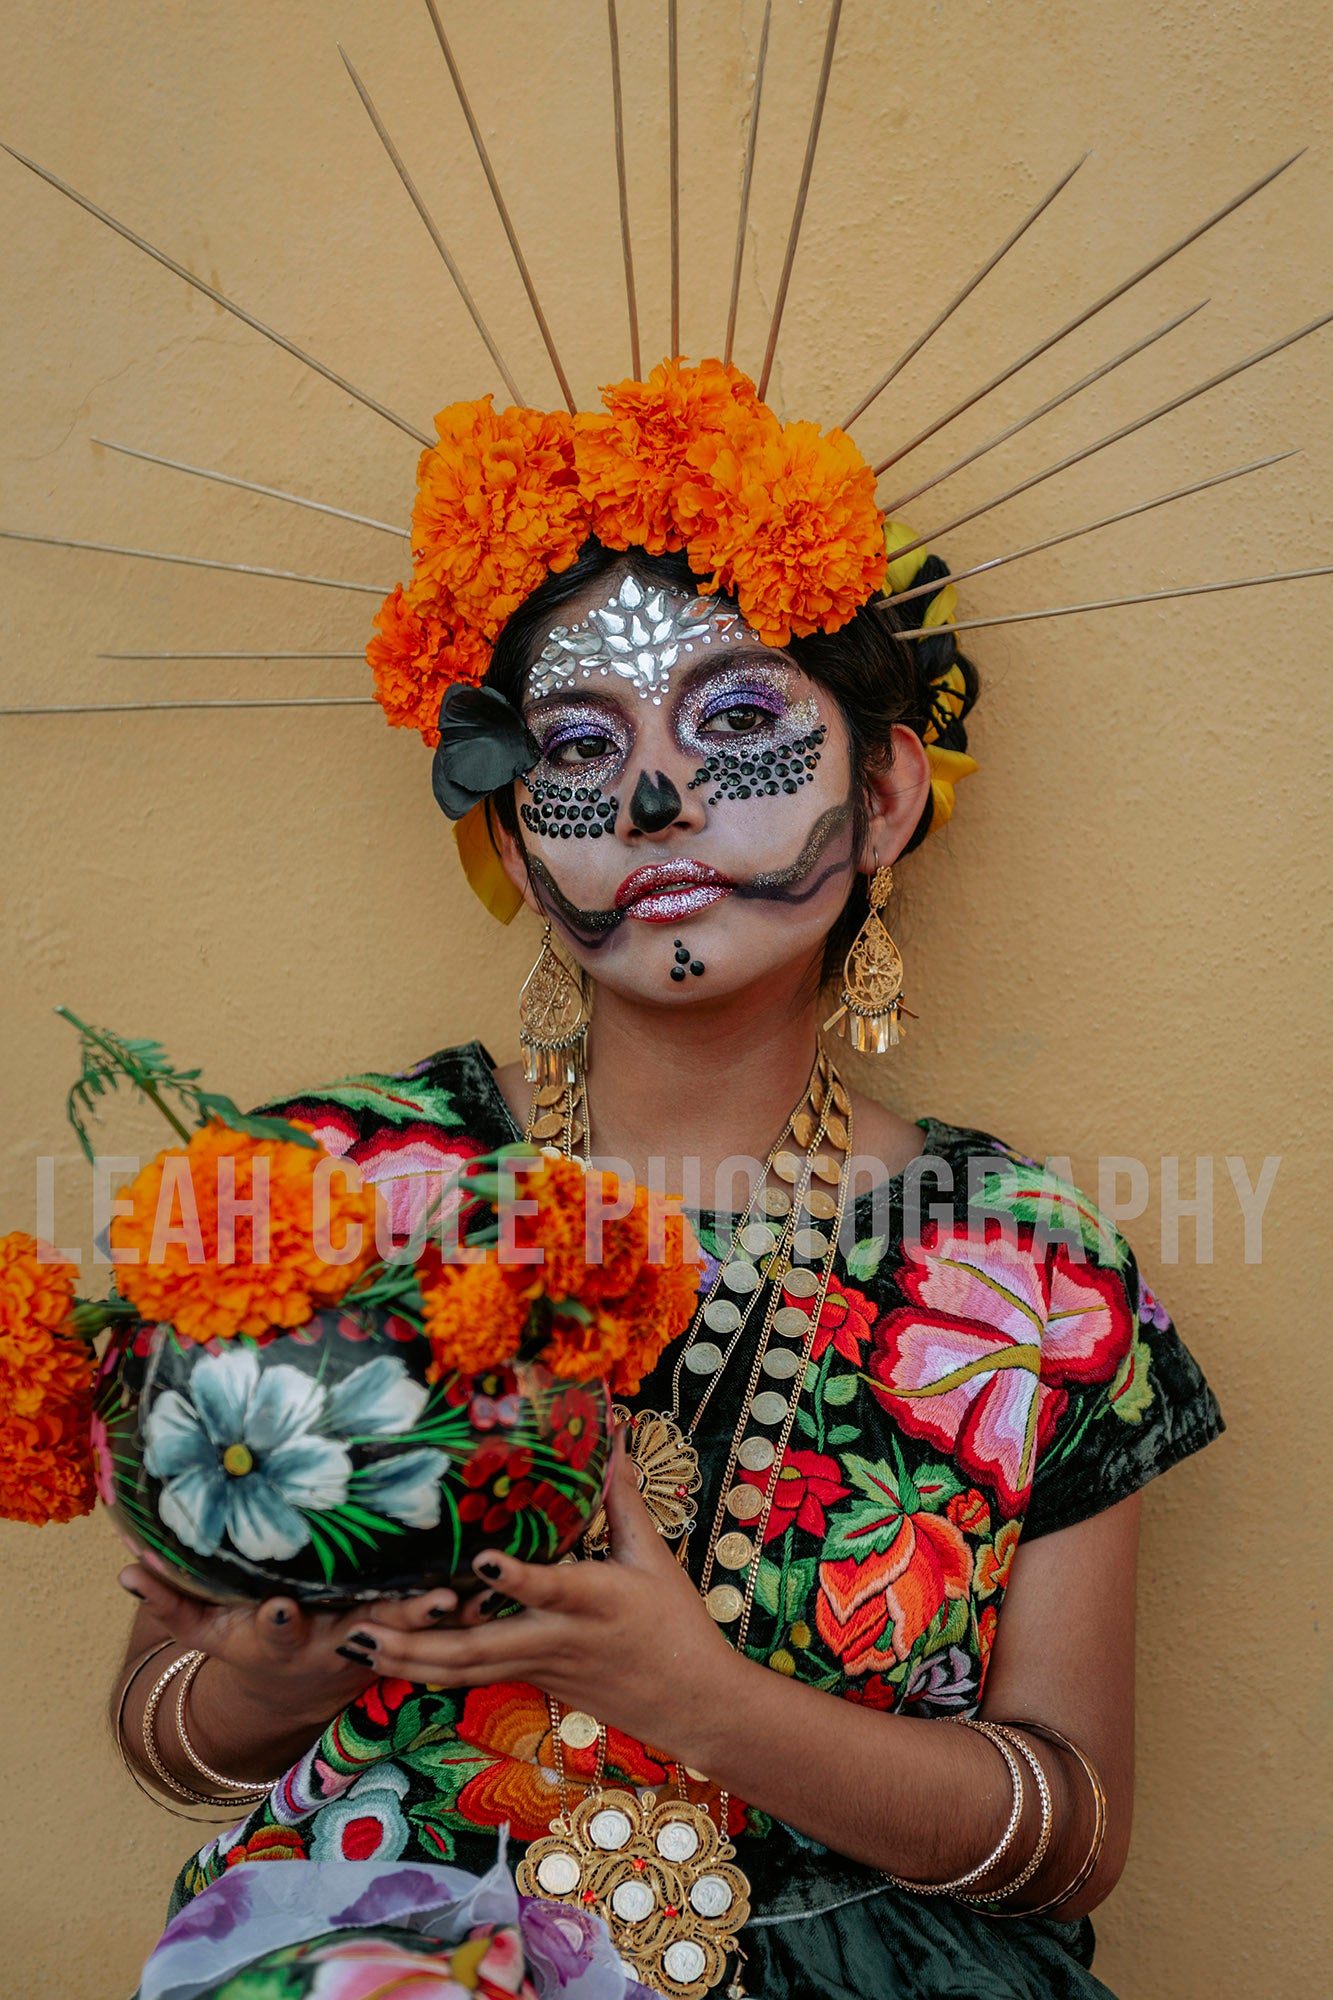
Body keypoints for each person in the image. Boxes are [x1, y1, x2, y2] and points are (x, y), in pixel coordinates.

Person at [114, 524, 1223, 2000]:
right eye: (575, 746)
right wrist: (290, 1653)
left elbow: (1068, 1841)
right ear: (510, 838)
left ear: (885, 792)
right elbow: (166, 1731)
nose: (653, 796)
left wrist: (688, 1697)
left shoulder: (1032, 1270)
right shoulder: (328, 1194)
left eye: (741, 722)